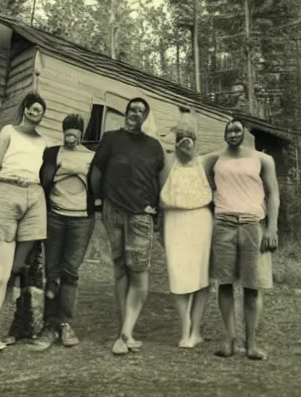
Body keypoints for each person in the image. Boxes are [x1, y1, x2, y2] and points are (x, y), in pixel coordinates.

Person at [0, 92, 51, 360]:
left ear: (43, 114)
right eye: (31, 108)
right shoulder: (9, 131)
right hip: (6, 191)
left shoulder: (45, 143)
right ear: (25, 109)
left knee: (14, 271)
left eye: (40, 109)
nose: (35, 112)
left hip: (35, 198)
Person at [88, 97, 166, 355]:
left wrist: (154, 206)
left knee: (139, 272)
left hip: (141, 216)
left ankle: (126, 332)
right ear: (126, 113)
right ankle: (124, 330)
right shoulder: (111, 139)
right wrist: (98, 202)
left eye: (141, 111)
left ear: (146, 116)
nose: (136, 113)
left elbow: (162, 180)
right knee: (120, 269)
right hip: (114, 212)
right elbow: (96, 172)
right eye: (132, 109)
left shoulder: (154, 146)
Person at [202, 117, 280, 361]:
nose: (233, 133)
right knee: (224, 284)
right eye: (229, 130)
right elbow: (199, 183)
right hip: (224, 224)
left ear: (245, 132)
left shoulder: (263, 159)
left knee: (252, 286)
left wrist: (272, 229)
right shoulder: (214, 159)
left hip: (253, 225)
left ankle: (251, 344)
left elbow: (274, 195)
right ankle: (229, 340)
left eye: (237, 129)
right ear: (224, 134)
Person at [28, 113, 97, 349]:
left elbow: (98, 185)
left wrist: (66, 171)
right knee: (52, 271)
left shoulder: (92, 156)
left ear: (80, 133)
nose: (70, 137)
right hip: (55, 216)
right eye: (66, 132)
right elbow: (45, 179)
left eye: (74, 133)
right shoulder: (52, 152)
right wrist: (70, 171)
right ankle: (49, 326)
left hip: (81, 220)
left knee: (70, 271)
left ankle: (65, 324)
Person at [159, 119, 215, 348]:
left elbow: (233, 153)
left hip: (201, 220)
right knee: (178, 274)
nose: (186, 146)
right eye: (181, 140)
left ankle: (196, 329)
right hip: (174, 221)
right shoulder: (167, 163)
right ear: (175, 143)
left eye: (189, 140)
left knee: (202, 276)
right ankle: (184, 329)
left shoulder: (204, 162)